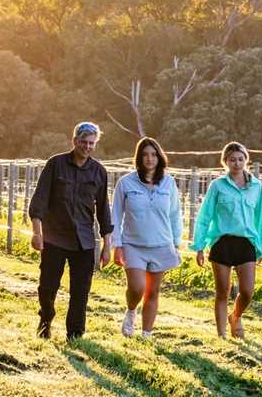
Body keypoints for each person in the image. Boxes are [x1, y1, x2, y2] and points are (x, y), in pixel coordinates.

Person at [28, 122, 113, 341]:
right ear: (74, 141)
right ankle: (46, 317)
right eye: (83, 142)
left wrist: (107, 245)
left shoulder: (99, 172)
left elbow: (103, 210)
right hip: (54, 237)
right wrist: (37, 233)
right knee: (47, 286)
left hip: (84, 241)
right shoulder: (55, 165)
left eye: (91, 143)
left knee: (81, 290)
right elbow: (39, 201)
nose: (87, 147)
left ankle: (75, 334)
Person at [191, 142, 262, 339]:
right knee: (222, 291)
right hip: (222, 243)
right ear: (225, 162)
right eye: (232, 159)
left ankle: (235, 316)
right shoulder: (217, 186)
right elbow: (205, 216)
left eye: (240, 159)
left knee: (247, 291)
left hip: (246, 243)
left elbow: (261, 219)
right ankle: (222, 335)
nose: (236, 163)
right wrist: (199, 246)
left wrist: (261, 247)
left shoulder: (256, 187)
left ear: (246, 160)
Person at [111, 137, 182, 338]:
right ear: (139, 158)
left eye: (153, 154)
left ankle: (147, 334)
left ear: (159, 157)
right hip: (133, 245)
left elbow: (175, 214)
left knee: (153, 291)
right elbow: (116, 214)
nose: (149, 159)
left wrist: (176, 243)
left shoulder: (169, 183)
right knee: (137, 287)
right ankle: (131, 310)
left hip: (161, 244)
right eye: (144, 155)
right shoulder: (125, 183)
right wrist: (117, 245)